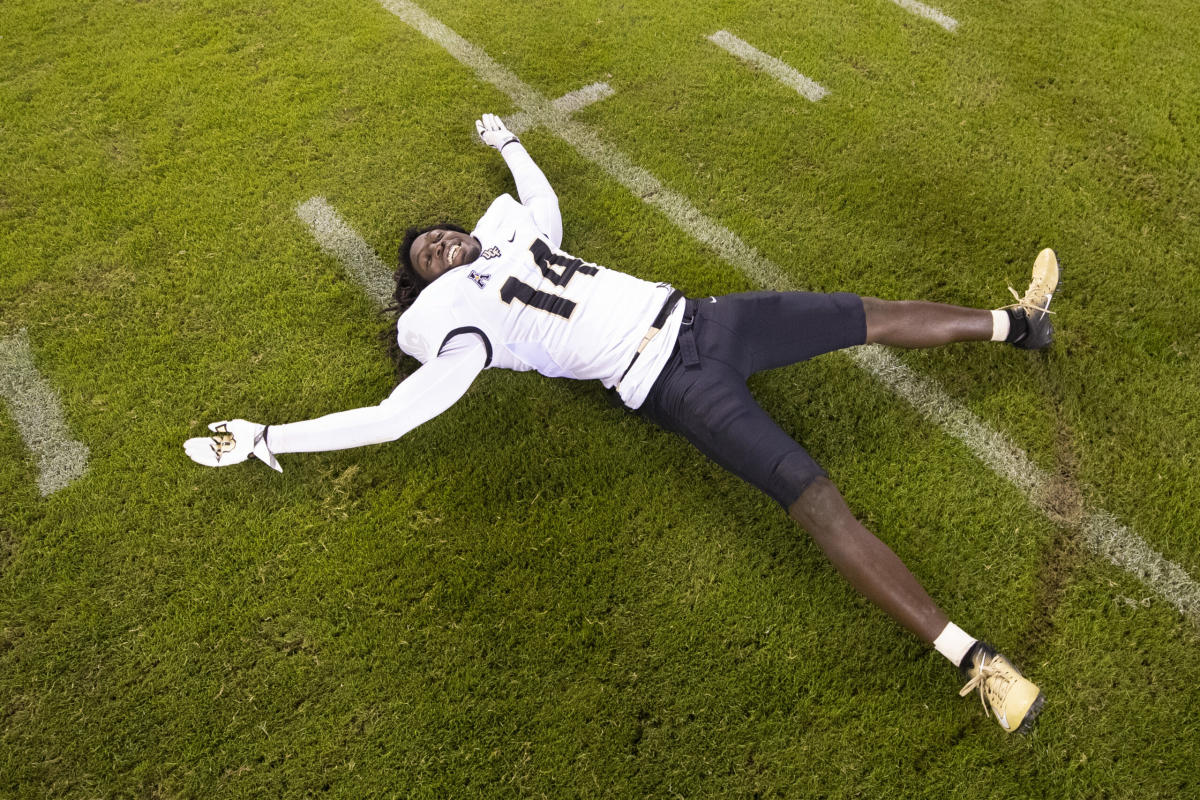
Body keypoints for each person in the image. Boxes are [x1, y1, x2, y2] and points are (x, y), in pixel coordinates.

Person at [186, 114, 1058, 734]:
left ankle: (1019, 324)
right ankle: (979, 664)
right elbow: (390, 418)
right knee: (818, 501)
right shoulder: (453, 328)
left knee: (865, 311)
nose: (441, 247)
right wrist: (270, 436)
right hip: (674, 384)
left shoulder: (511, 237)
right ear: (420, 289)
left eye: (442, 238)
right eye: (425, 257)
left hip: (709, 318)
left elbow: (543, 210)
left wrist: (510, 145)